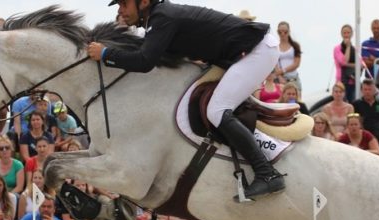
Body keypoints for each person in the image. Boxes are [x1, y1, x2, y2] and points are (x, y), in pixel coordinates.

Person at [89, 0, 285, 200]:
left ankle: (267, 174)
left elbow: (144, 61)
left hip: (257, 52)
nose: (120, 10)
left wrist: (105, 53)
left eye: (124, 4)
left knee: (216, 110)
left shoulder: (162, 17)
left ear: (144, 2)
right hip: (244, 52)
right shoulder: (158, 18)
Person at [274, 21, 302, 91]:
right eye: (280, 32)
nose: (282, 34)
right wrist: (279, 76)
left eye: (285, 32)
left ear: (289, 32)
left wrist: (283, 71)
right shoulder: (275, 47)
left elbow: (296, 63)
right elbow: (274, 63)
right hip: (280, 79)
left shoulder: (295, 46)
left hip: (293, 78)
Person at [334, 24, 357, 103]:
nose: (346, 35)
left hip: (353, 81)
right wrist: (348, 47)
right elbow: (343, 62)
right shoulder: (337, 48)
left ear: (352, 34)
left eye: (348, 33)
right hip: (341, 81)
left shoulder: (355, 49)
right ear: (341, 34)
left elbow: (360, 64)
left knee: (353, 103)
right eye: (344, 33)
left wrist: (350, 65)